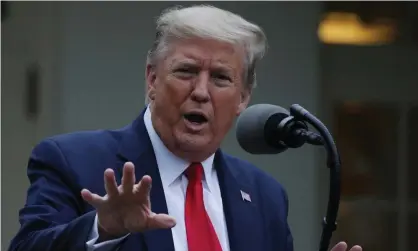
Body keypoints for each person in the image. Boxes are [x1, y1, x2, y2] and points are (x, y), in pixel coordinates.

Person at [8, 5, 362, 251]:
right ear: (152, 78)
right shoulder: (72, 160)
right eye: (186, 71)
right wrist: (103, 229)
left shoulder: (265, 195)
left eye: (221, 77)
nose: (201, 91)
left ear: (243, 97)